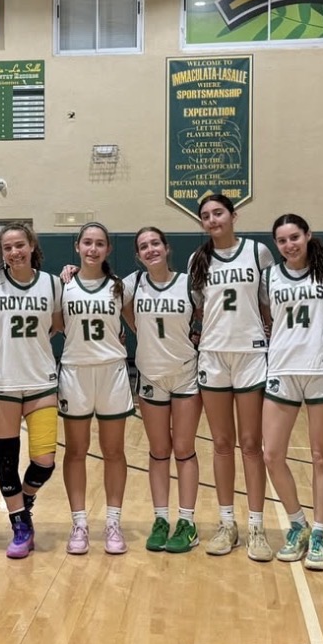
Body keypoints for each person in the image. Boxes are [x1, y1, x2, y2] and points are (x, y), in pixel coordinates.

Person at [187, 194, 275, 561]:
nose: (212, 220)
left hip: (251, 354)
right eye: (206, 216)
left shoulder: (258, 253)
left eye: (218, 213)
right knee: (222, 443)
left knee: (251, 444)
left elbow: (268, 303)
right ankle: (227, 524)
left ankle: (256, 526)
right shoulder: (198, 259)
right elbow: (198, 308)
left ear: (233, 215)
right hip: (214, 354)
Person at [261, 213, 323, 571]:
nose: (289, 245)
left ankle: (320, 532)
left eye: (294, 237)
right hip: (282, 368)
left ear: (308, 235)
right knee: (271, 454)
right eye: (282, 240)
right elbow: (266, 315)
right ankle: (298, 524)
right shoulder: (269, 276)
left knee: (322, 456)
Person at [0, 223, 63, 559]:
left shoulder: (52, 283)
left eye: (19, 245)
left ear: (31, 246)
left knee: (44, 462)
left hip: (41, 381)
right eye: (7, 248)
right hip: (2, 382)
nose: (14, 252)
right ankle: (20, 524)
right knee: (6, 461)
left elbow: (57, 324)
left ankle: (25, 498)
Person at [59, 222, 134, 555]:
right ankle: (79, 524)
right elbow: (55, 324)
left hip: (111, 372)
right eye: (87, 242)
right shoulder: (63, 285)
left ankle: (113, 523)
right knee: (75, 451)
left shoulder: (120, 288)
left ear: (108, 249)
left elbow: (136, 325)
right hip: (75, 371)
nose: (93, 249)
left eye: (99, 243)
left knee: (114, 451)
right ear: (77, 246)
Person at [127, 227, 202, 553]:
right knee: (159, 451)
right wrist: (71, 271)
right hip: (151, 376)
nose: (151, 249)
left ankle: (186, 522)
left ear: (166, 247)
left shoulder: (188, 284)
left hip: (185, 374)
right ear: (138, 255)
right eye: (144, 246)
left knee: (184, 449)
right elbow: (100, 288)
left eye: (155, 243)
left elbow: (207, 316)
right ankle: (160, 519)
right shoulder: (133, 284)